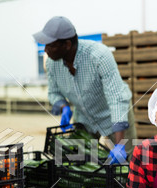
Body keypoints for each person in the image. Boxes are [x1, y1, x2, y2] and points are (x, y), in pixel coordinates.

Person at [33, 16, 137, 164]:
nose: (46, 50)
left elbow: (117, 98)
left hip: (113, 116)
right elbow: (53, 92)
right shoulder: (51, 64)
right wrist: (64, 107)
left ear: (67, 45)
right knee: (82, 162)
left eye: (50, 46)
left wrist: (120, 146)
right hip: (84, 118)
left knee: (128, 163)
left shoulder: (99, 56)